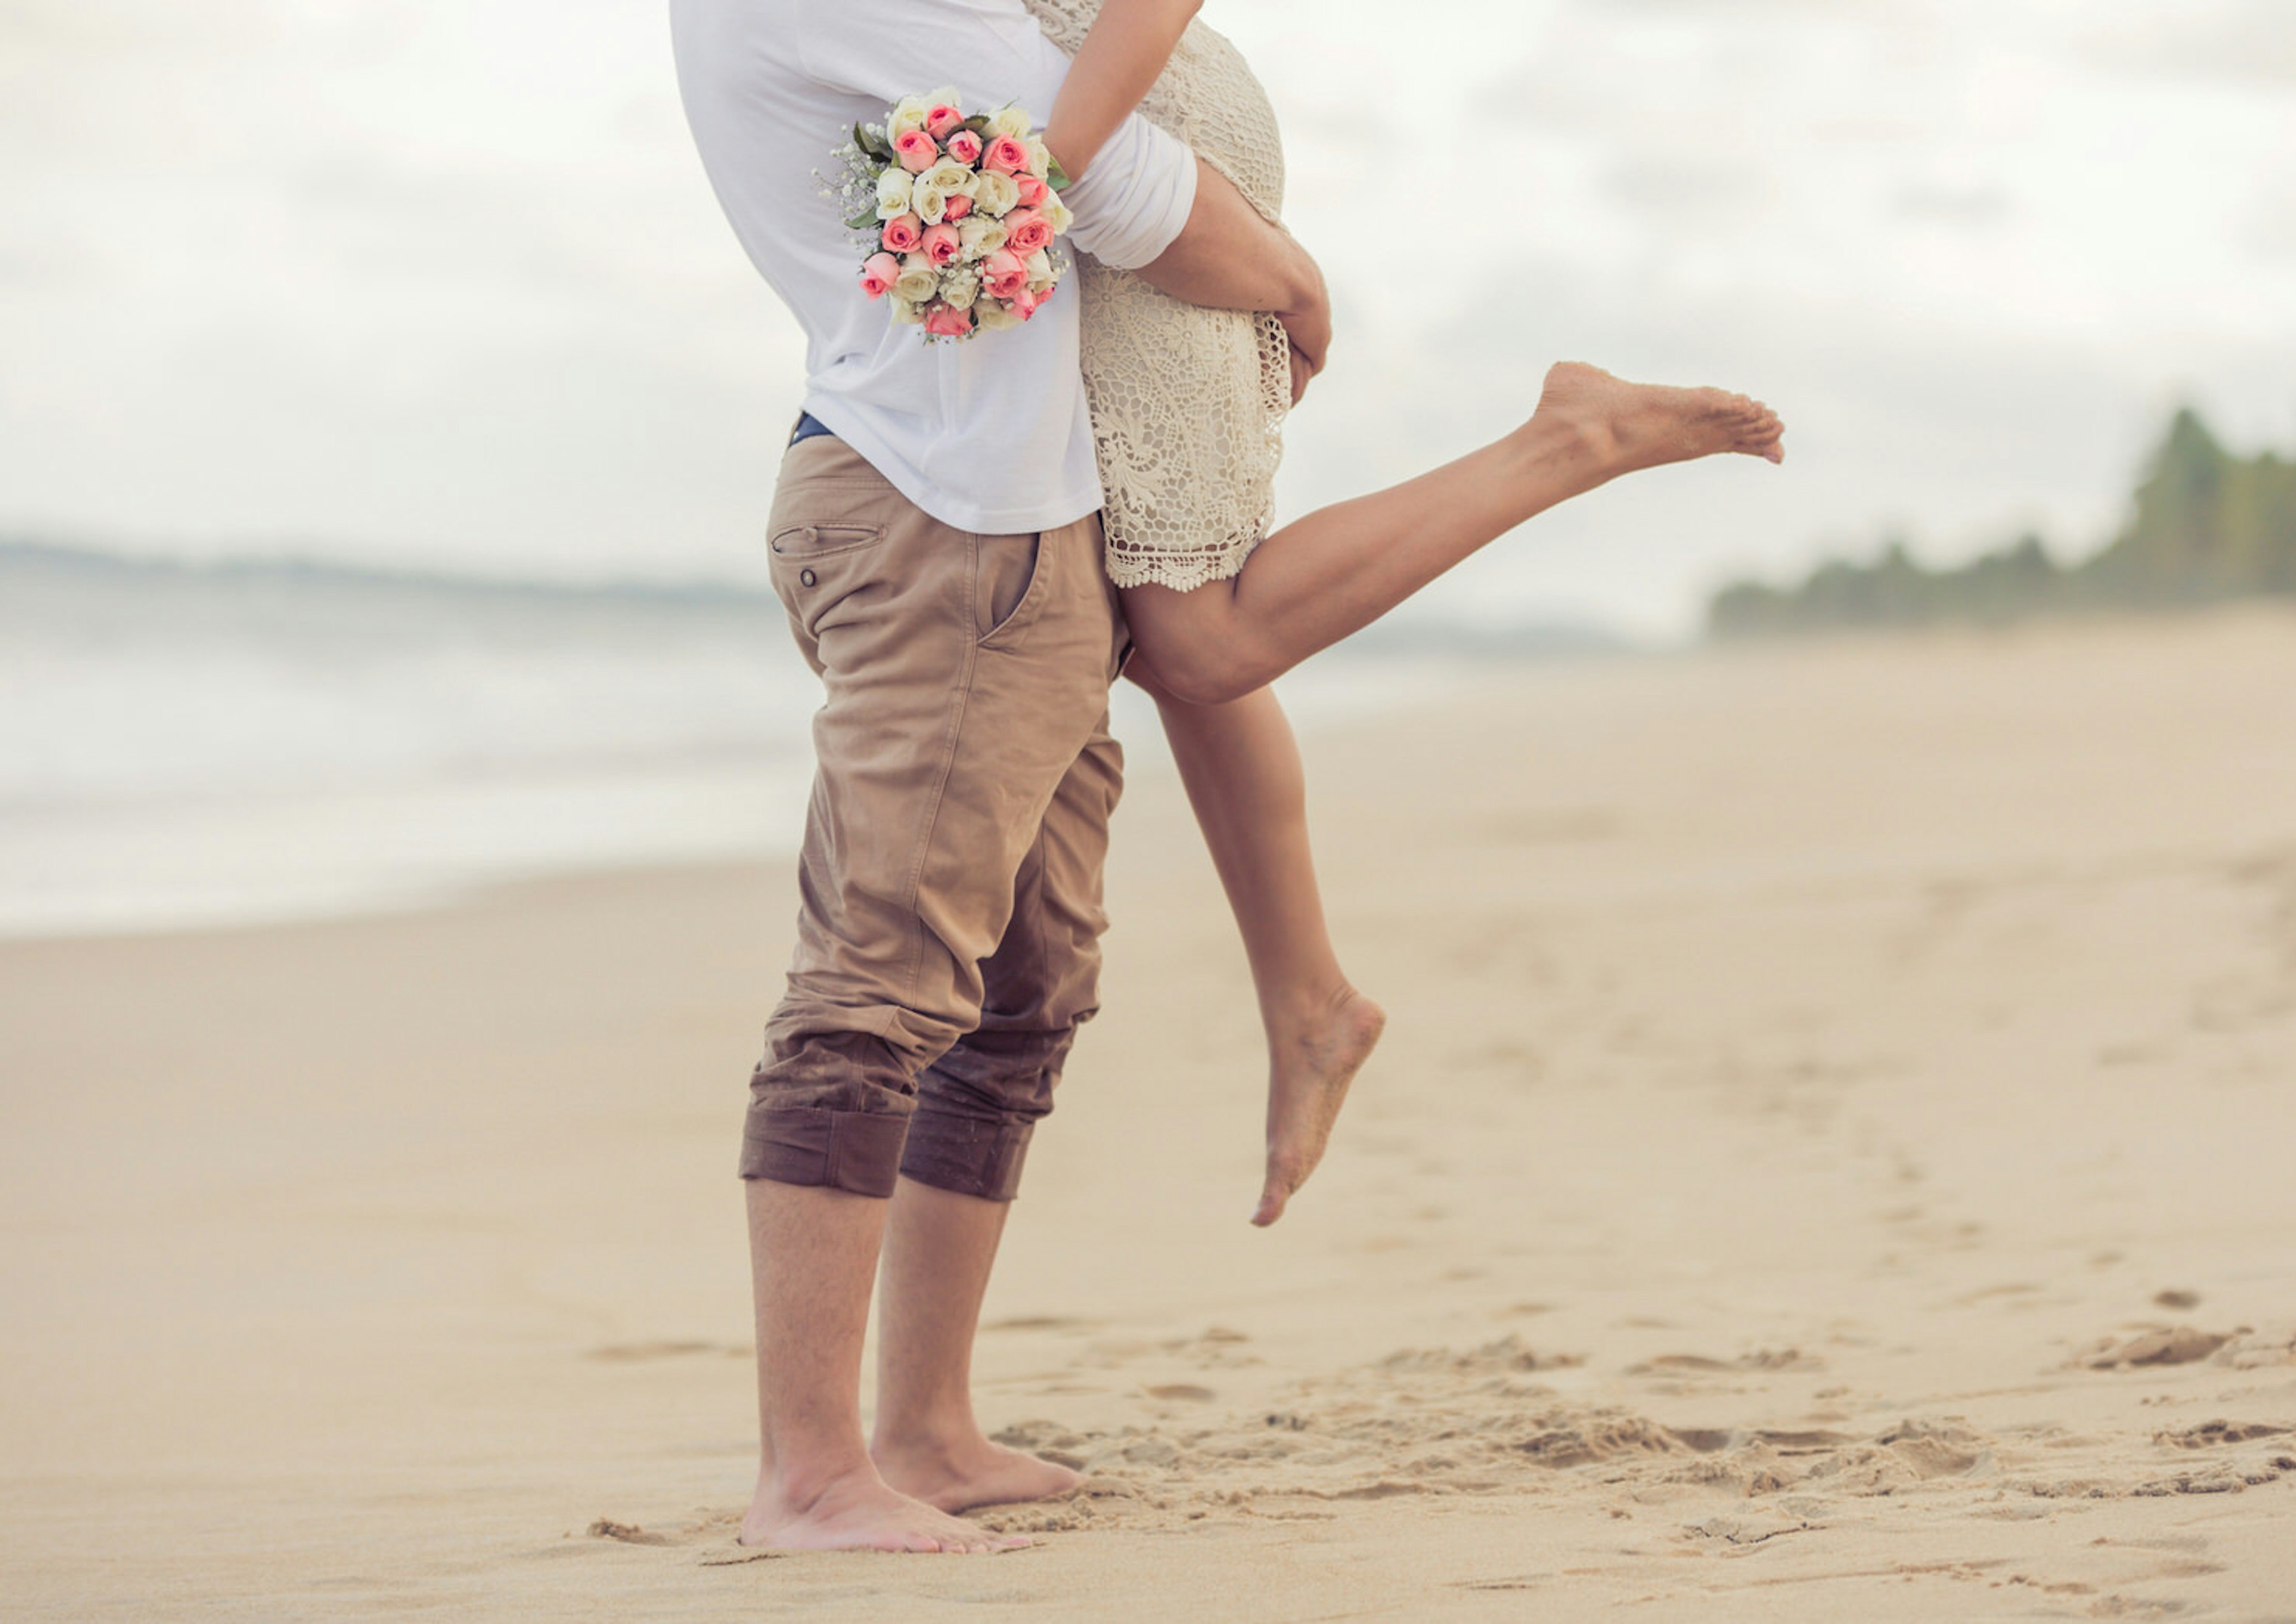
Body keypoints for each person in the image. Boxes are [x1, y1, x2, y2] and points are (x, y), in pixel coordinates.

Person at [670, 0, 1784, 1555]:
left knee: (1020, 992)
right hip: (945, 518)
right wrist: (1290, 276)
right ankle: (810, 1469)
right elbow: (1108, 175)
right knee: (881, 980)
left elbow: (1075, 152)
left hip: (1016, 520)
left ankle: (920, 1428)